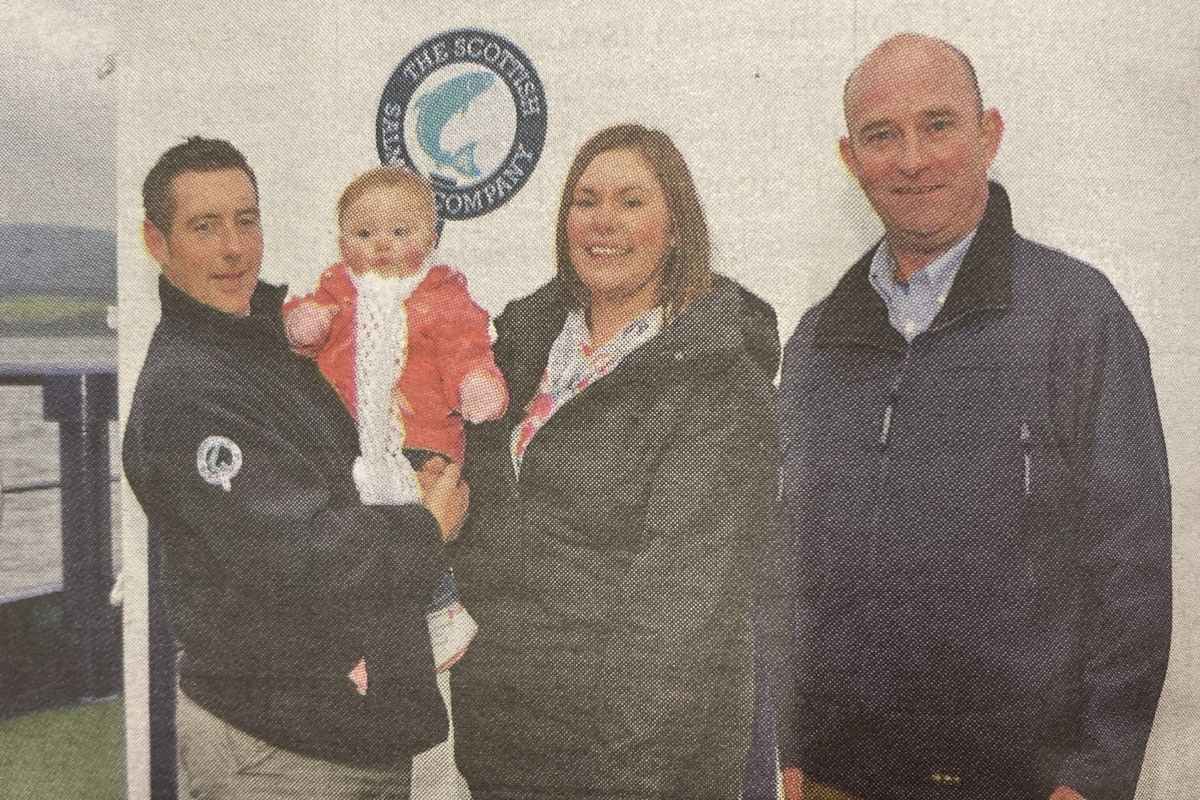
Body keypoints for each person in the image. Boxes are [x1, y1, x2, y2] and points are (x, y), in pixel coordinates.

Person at [772, 34, 1172, 800]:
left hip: (1021, 785)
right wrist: (785, 747)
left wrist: (1096, 775)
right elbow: (777, 572)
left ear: (988, 135)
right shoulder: (816, 343)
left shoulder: (1078, 318)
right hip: (833, 782)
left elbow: (1133, 573)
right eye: (880, 135)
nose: (912, 159)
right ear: (849, 158)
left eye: (939, 124)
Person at [123, 136, 468, 799]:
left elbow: (343, 486)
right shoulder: (191, 389)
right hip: (276, 753)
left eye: (245, 220)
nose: (234, 247)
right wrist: (426, 528)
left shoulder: (264, 344)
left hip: (340, 731)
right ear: (157, 241)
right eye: (204, 226)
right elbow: (298, 552)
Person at [450, 123, 782, 799]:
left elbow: (679, 619)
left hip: (635, 766)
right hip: (504, 751)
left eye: (631, 202)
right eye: (586, 200)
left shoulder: (718, 383)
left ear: (676, 227)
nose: (603, 222)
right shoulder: (515, 347)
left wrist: (627, 779)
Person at [283, 165, 508, 672]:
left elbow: (465, 348)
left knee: (422, 510)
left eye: (400, 231)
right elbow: (303, 329)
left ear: (429, 237)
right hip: (347, 441)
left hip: (421, 436)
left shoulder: (443, 297)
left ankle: (439, 609)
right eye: (364, 233)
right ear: (343, 242)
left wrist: (476, 383)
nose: (381, 244)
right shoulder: (337, 291)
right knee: (353, 534)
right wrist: (305, 324)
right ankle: (363, 636)